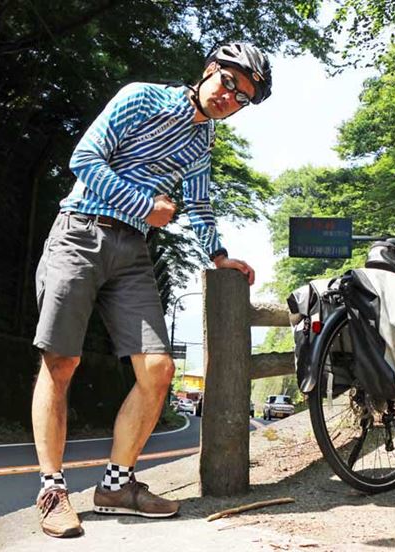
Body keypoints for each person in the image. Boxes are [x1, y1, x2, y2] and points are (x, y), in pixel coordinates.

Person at [31, 43, 272, 538]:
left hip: (134, 251)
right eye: (229, 84)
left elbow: (199, 205)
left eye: (242, 98)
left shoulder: (203, 143)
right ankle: (52, 490)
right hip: (79, 231)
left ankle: (117, 486)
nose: (230, 99)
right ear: (210, 71)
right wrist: (144, 202)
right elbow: (85, 159)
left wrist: (219, 255)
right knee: (61, 362)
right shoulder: (141, 98)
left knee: (159, 369)